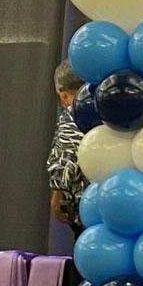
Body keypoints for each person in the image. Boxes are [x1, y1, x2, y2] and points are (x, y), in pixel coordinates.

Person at [47, 59, 89, 240]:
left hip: (86, 205)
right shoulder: (110, 107)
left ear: (64, 95)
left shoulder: (74, 112)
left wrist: (57, 196)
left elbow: (66, 156)